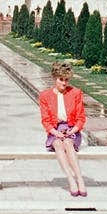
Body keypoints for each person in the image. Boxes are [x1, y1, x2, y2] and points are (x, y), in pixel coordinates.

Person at [38, 61, 87, 196]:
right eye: (61, 79)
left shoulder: (76, 93)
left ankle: (80, 179)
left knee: (67, 143)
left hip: (72, 129)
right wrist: (55, 133)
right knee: (58, 144)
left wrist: (72, 130)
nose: (64, 83)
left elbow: (81, 118)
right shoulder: (45, 96)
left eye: (66, 80)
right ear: (54, 78)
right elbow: (46, 120)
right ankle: (70, 179)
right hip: (55, 130)